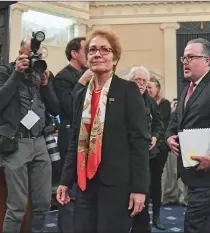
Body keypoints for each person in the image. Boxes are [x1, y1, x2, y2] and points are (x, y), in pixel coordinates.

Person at [56, 28, 150, 233]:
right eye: (92, 50)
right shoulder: (81, 95)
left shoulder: (128, 90)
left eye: (104, 50)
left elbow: (139, 142)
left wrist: (139, 189)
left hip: (116, 185)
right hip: (84, 184)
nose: (97, 54)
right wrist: (64, 181)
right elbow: (75, 141)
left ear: (114, 58)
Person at [0, 36, 60, 233]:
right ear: (21, 52)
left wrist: (46, 85)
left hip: (39, 142)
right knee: (17, 207)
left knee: (43, 203)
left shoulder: (43, 74)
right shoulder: (6, 71)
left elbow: (55, 109)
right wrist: (17, 74)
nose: (34, 58)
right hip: (15, 141)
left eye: (38, 55)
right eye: (31, 54)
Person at [166, 38, 210, 233]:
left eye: (191, 57)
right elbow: (174, 123)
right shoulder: (187, 90)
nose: (185, 61)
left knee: (194, 226)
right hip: (194, 174)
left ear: (207, 61)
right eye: (183, 57)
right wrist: (169, 138)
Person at [53, 37, 93, 233]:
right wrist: (82, 81)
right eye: (88, 50)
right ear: (74, 53)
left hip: (88, 139)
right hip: (69, 139)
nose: (92, 54)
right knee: (68, 191)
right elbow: (69, 108)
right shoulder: (63, 77)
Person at [128, 66, 164, 233]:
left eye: (144, 81)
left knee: (145, 194)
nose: (141, 83)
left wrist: (155, 137)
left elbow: (158, 123)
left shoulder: (149, 100)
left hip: (149, 156)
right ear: (130, 81)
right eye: (138, 80)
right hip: (128, 157)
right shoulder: (124, 99)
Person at [147, 75, 171, 229]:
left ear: (157, 89)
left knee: (155, 183)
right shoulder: (140, 101)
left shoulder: (164, 104)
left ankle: (156, 217)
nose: (148, 89)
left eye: (150, 87)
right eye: (146, 86)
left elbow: (159, 124)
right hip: (143, 148)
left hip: (159, 149)